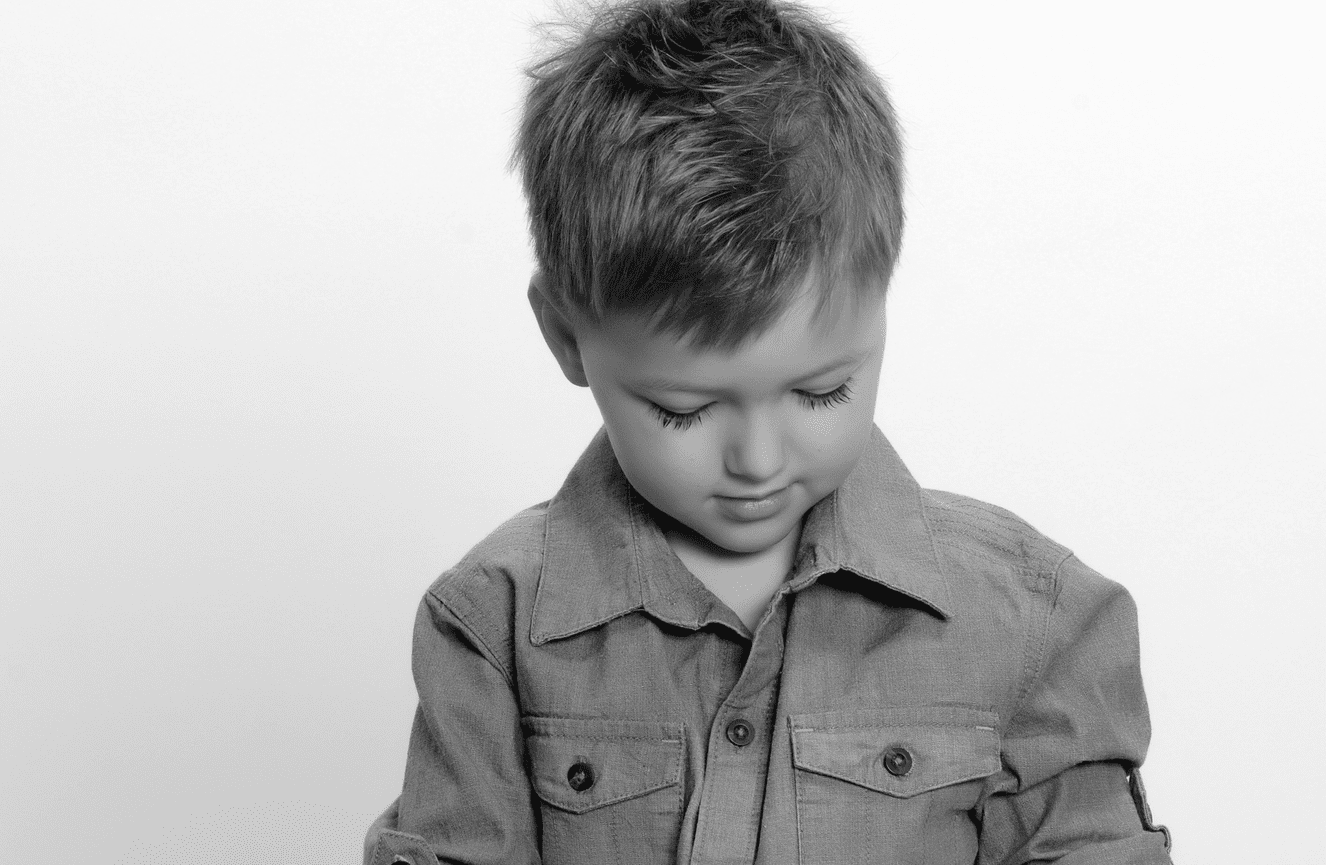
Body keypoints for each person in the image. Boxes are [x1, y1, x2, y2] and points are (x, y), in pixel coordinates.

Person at [364, 1, 1172, 862]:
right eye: (683, 409)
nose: (757, 460)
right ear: (567, 336)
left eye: (821, 391)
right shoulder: (492, 624)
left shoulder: (1038, 619)